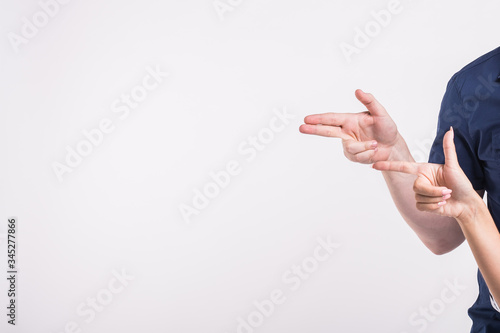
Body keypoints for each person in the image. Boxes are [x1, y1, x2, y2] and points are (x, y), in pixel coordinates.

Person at [299, 46, 500, 332]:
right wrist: (393, 155)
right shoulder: (472, 87)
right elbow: (444, 235)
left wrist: (472, 212)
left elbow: (468, 209)